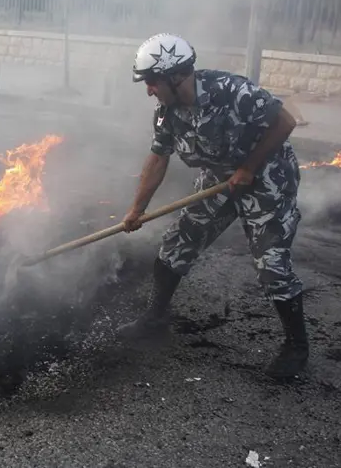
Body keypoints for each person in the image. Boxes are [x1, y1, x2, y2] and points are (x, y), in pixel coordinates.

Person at [117, 33, 307, 379]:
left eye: (152, 82)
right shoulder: (167, 112)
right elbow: (158, 158)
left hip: (266, 177)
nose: (148, 90)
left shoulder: (234, 92)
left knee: (271, 264)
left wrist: (249, 168)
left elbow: (286, 121)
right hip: (218, 179)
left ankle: (296, 346)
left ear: (176, 76)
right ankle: (155, 318)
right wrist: (136, 210)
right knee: (178, 242)